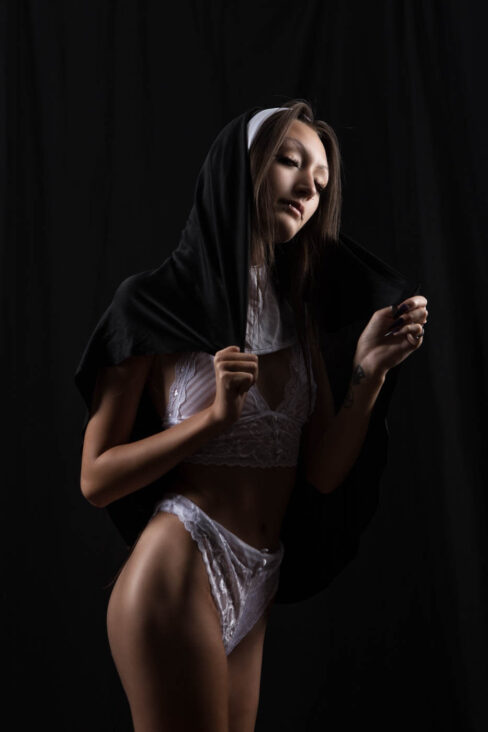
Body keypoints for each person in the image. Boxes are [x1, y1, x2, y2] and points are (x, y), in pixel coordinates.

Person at [76, 100, 428, 731]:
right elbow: (95, 479)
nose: (308, 189)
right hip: (180, 569)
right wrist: (210, 421)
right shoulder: (152, 304)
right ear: (241, 170)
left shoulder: (298, 317)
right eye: (290, 161)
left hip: (260, 576)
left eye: (321, 181)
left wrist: (368, 373)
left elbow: (322, 472)